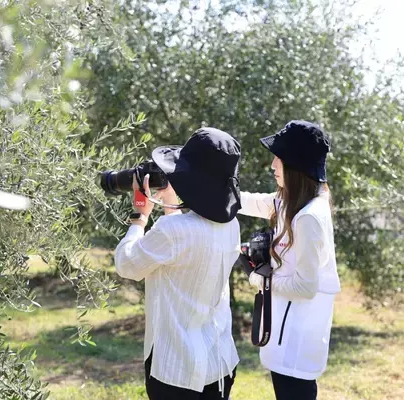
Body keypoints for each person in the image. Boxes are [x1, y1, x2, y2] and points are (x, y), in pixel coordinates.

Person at [114, 127, 242, 400]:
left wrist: (139, 217)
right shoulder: (232, 225)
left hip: (175, 371)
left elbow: (126, 264)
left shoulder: (172, 231)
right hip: (219, 361)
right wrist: (171, 204)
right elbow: (185, 243)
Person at [238, 120, 341, 400]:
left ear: (295, 165)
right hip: (286, 334)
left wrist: (259, 279)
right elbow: (254, 202)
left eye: (279, 158)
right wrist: (216, 192)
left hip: (297, 342)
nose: (273, 165)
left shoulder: (309, 217)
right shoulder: (292, 201)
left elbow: (305, 287)